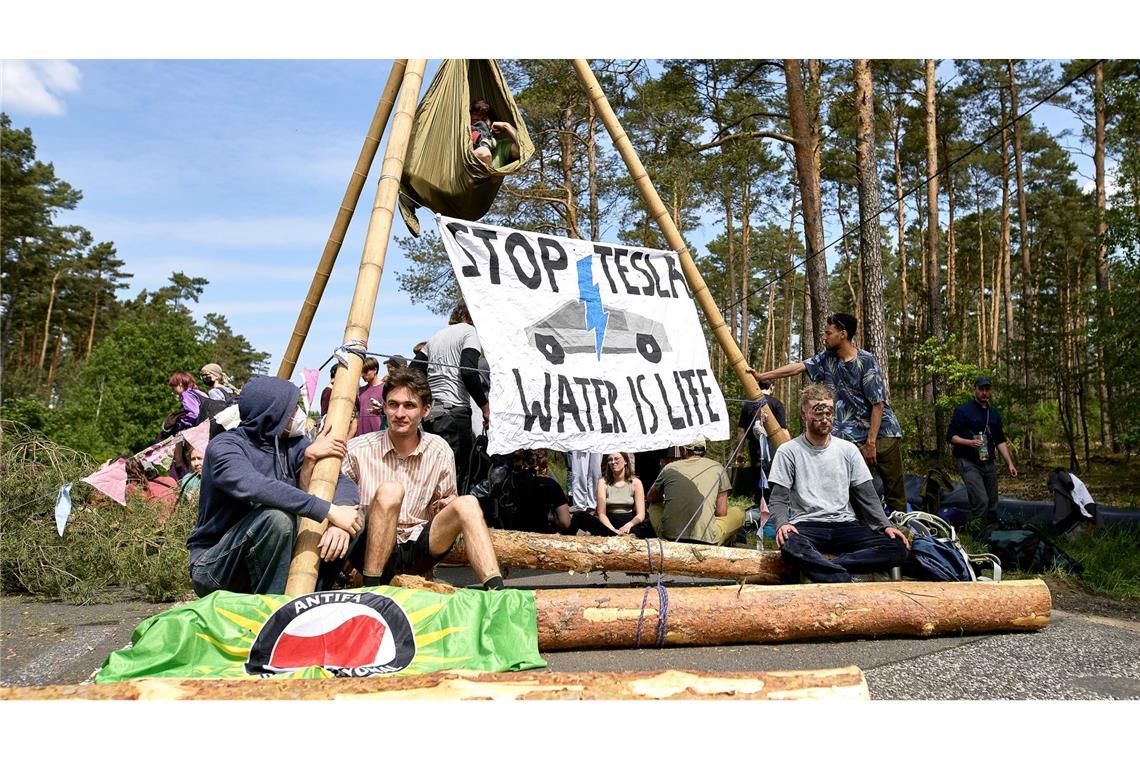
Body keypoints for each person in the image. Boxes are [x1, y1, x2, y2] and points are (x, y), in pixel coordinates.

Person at [187, 376, 363, 596]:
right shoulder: (224, 447)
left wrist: (340, 517)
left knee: (353, 518)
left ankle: (307, 597)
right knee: (276, 519)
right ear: (271, 412)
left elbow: (342, 483)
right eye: (291, 409)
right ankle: (276, 610)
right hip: (217, 567)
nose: (297, 414)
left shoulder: (293, 444)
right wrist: (328, 510)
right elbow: (253, 486)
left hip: (275, 566)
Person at [342, 368, 504, 590]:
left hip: (418, 545)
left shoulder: (439, 449)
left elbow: (446, 498)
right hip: (371, 546)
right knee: (390, 491)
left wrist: (447, 502)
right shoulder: (357, 449)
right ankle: (372, 588)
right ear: (384, 407)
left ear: (425, 410)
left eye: (409, 406)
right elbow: (334, 499)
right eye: (393, 405)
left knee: (467, 503)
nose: (400, 413)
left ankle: (496, 591)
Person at [749, 312, 906, 515]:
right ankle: (863, 531)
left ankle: (905, 533)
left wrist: (871, 443)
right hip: (850, 437)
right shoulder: (827, 358)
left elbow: (878, 404)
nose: (825, 337)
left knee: (894, 491)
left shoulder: (866, 361)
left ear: (843, 334)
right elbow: (798, 367)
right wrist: (763, 375)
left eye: (828, 333)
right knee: (855, 490)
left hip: (881, 433)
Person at [768, 383, 911, 583]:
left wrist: (884, 526)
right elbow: (778, 498)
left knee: (898, 547)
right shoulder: (789, 451)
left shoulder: (848, 450)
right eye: (818, 412)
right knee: (790, 546)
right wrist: (782, 524)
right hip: (807, 525)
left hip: (846, 525)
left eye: (829, 412)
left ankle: (832, 570)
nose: (825, 418)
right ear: (804, 414)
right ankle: (842, 576)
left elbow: (867, 496)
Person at [415, 301, 488, 494]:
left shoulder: (435, 336)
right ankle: (449, 521)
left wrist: (425, 400)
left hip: (432, 415)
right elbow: (468, 371)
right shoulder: (470, 332)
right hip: (455, 413)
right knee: (455, 474)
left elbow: (413, 371)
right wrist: (485, 407)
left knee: (433, 470)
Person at [945, 376, 1018, 523]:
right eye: (981, 389)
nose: (984, 393)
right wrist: (969, 442)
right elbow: (950, 436)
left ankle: (991, 534)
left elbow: (1000, 440)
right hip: (968, 462)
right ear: (974, 390)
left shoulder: (994, 414)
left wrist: (1010, 463)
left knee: (992, 502)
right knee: (981, 500)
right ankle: (977, 537)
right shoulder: (963, 411)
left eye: (987, 389)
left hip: (988, 462)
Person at [646, 441, 745, 545]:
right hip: (707, 539)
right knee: (739, 512)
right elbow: (721, 512)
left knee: (654, 506)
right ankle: (731, 540)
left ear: (684, 451)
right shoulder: (717, 467)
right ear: (704, 451)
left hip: (671, 537)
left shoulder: (669, 468)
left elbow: (651, 498)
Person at [735, 379, 787, 506]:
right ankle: (771, 509)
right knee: (772, 477)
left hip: (754, 448)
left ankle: (759, 509)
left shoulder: (748, 405)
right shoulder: (776, 403)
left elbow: (741, 430)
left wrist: (739, 452)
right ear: (771, 386)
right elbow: (784, 430)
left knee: (757, 476)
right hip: (773, 448)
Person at [596, 452, 646, 536]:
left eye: (616, 459)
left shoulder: (636, 482)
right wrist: (612, 529)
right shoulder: (603, 482)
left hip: (629, 521)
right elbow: (601, 513)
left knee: (646, 525)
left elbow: (641, 514)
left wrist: (628, 525)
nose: (613, 462)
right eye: (610, 460)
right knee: (579, 515)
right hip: (609, 521)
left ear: (625, 461)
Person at [469, 99, 520, 169]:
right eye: (476, 121)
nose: (480, 124)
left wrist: (506, 125)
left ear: (492, 124)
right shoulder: (461, 142)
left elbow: (524, 150)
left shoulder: (501, 146)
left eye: (484, 120)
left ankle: (486, 143)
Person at [164, 371, 212, 436]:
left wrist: (180, 425)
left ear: (180, 384)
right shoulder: (199, 392)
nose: (173, 390)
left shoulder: (187, 394)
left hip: (202, 429)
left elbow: (194, 414)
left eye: (173, 387)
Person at [354, 357, 386, 437]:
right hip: (362, 435)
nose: (363, 375)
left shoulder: (385, 388)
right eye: (361, 372)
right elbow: (358, 413)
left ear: (375, 370)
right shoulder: (360, 391)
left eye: (365, 371)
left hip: (380, 434)